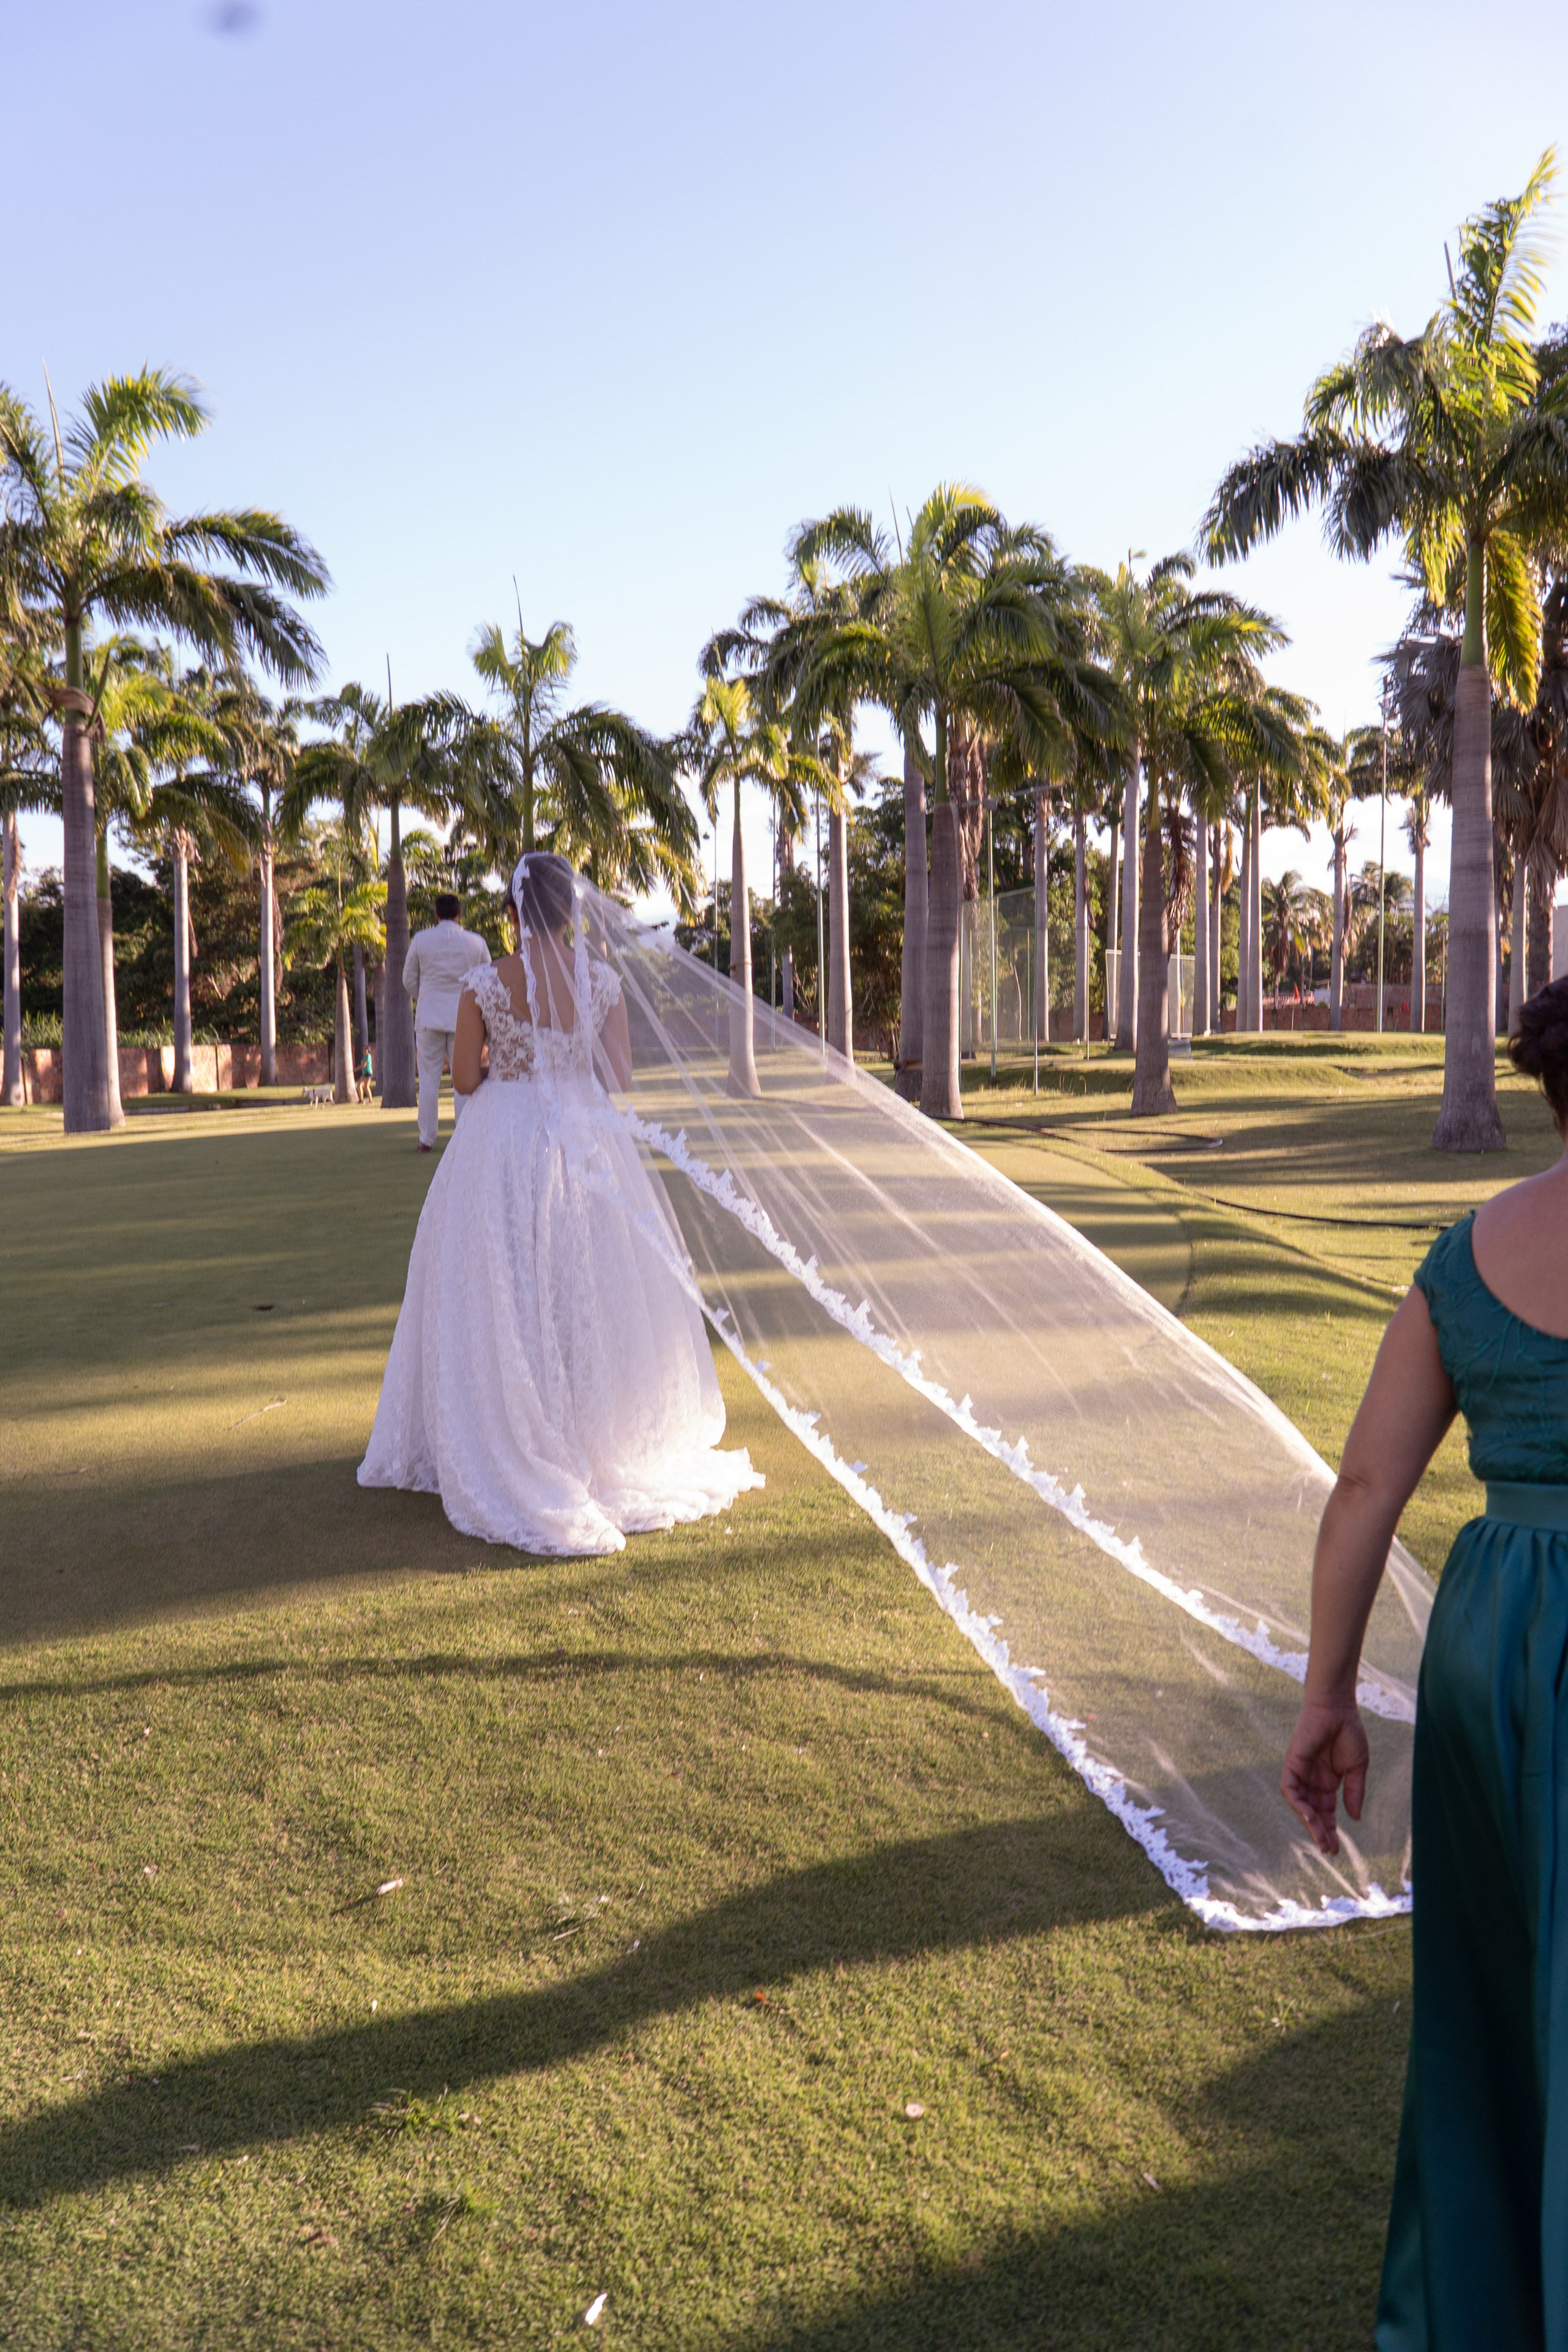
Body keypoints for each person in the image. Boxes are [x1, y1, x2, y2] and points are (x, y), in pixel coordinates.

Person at [1282, 974, 1568, 2351]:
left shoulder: (1465, 1254)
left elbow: (1360, 1488)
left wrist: (1326, 1694)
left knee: (1491, 1994)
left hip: (1492, 1637)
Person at [359, 850, 761, 1556]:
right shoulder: (600, 980)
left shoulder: (486, 982)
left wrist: (505, 1062)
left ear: (512, 914)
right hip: (585, 1139)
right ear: (574, 912)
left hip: (500, 1139)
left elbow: (462, 1081)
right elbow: (621, 1077)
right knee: (590, 1281)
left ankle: (512, 1428)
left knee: (503, 1280)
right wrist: (564, 1067)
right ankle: (590, 1428)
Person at [403, 891, 489, 1152]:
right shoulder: (475, 942)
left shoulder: (421, 940)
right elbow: (487, 978)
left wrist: (426, 997)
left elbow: (409, 979)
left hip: (429, 1016)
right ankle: (463, 1134)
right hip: (464, 1018)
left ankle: (427, 1138)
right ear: (460, 914)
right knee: (462, 1079)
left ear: (436, 914)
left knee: (428, 1079)